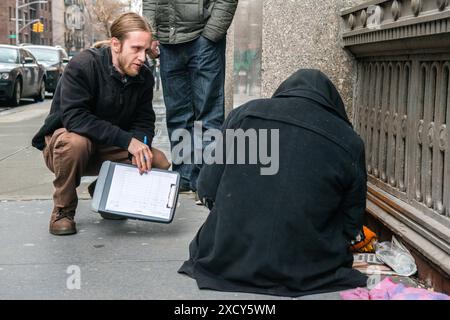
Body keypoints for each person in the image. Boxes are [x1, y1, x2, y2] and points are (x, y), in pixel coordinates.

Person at [178, 69, 368, 297]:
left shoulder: (245, 114)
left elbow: (207, 187)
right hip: (306, 267)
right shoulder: (349, 140)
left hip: (227, 259)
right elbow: (352, 221)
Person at [31, 12, 170, 236]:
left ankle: (105, 191)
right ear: (116, 44)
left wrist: (141, 145)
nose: (143, 57)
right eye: (135, 48)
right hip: (67, 147)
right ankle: (63, 210)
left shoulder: (143, 76)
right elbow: (75, 118)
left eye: (146, 50)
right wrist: (128, 141)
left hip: (107, 146)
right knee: (76, 143)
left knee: (158, 161)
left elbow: (144, 120)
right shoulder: (83, 65)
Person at [143, 0, 239, 193]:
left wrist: (211, 34)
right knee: (177, 115)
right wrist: (151, 35)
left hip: (203, 38)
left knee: (209, 115)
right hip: (168, 41)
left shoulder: (207, 38)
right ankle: (184, 178)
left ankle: (206, 183)